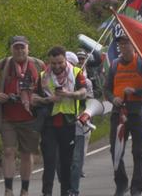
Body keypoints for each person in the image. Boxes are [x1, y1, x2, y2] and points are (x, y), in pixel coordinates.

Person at [0, 36, 45, 196]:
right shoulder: (2, 65)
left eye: (23, 47)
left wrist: (39, 98)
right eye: (16, 47)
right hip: (8, 116)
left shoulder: (39, 65)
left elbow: (48, 86)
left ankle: (25, 190)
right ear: (11, 49)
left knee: (27, 154)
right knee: (8, 151)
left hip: (30, 117)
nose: (20, 51)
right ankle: (8, 190)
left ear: (28, 48)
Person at [33, 46, 87, 196]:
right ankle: (47, 193)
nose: (57, 66)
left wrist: (69, 94)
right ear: (49, 62)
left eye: (60, 63)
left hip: (68, 124)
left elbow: (83, 93)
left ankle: (66, 192)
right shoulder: (43, 75)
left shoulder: (76, 72)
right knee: (49, 163)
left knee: (66, 163)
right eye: (53, 63)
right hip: (49, 125)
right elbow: (33, 98)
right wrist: (49, 99)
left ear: (65, 59)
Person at [104, 33, 142, 196]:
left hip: (137, 112)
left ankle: (136, 188)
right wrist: (113, 98)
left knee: (138, 151)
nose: (123, 47)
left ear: (133, 44)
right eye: (121, 45)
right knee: (115, 150)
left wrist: (136, 91)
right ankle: (121, 183)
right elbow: (106, 89)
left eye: (126, 43)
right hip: (118, 112)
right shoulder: (115, 65)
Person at [66, 51, 93, 196]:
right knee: (63, 162)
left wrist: (85, 114)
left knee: (77, 160)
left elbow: (90, 103)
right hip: (63, 125)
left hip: (80, 125)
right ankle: (66, 188)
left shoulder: (86, 81)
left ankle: (74, 190)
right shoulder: (55, 79)